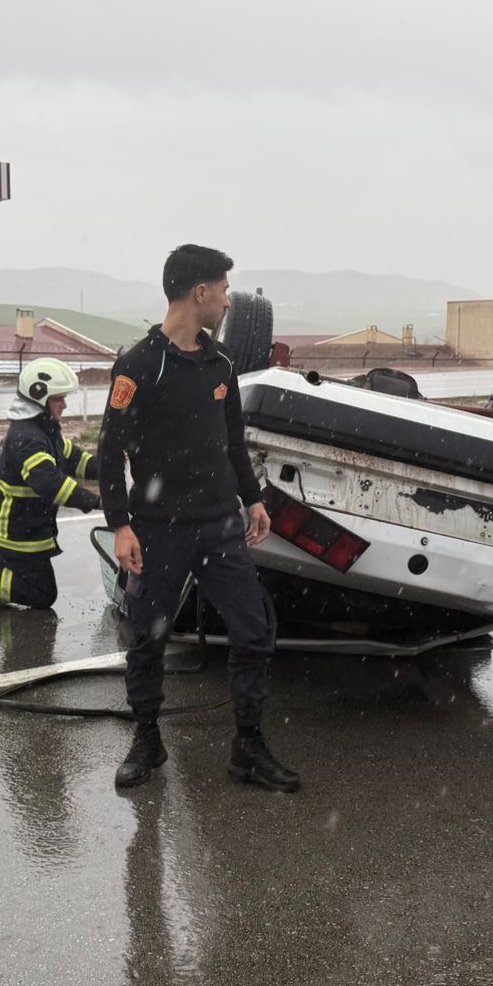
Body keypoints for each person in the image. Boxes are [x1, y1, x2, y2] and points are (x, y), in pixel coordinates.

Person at [96, 244, 299, 794]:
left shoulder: (222, 364)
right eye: (225, 290)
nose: (229, 301)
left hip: (220, 526)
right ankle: (146, 739)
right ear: (200, 292)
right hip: (159, 531)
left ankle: (248, 748)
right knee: (148, 639)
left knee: (253, 633)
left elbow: (233, 442)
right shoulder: (139, 365)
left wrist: (253, 500)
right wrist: (121, 525)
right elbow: (109, 454)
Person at [0, 357, 101, 613]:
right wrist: (97, 502)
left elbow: (74, 458)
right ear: (40, 397)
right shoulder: (28, 438)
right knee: (42, 592)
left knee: (8, 563)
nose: (64, 404)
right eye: (59, 398)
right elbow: (50, 484)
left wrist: (108, 468)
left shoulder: (42, 430)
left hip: (20, 528)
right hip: (19, 533)